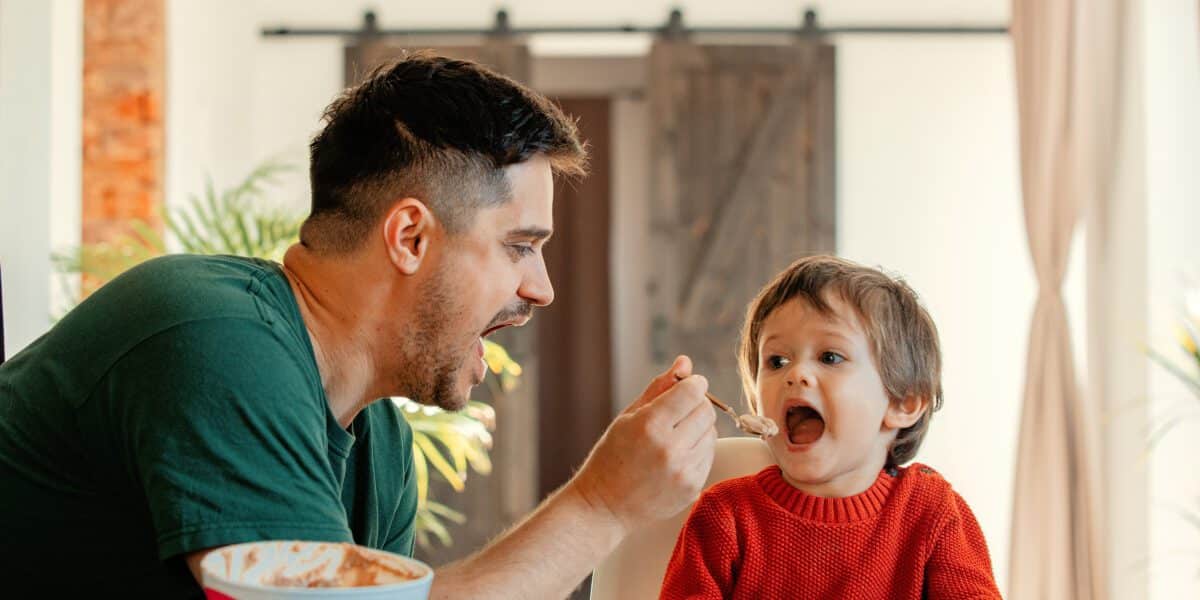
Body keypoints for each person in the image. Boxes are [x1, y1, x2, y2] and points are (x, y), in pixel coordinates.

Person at [0, 53, 717, 597]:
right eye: (520, 246)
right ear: (410, 237)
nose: (543, 289)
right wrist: (602, 504)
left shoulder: (380, 448)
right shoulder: (215, 338)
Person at [660, 255, 1000, 599]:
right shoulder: (725, 515)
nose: (796, 374)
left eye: (830, 357)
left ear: (903, 403)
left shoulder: (932, 511)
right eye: (777, 361)